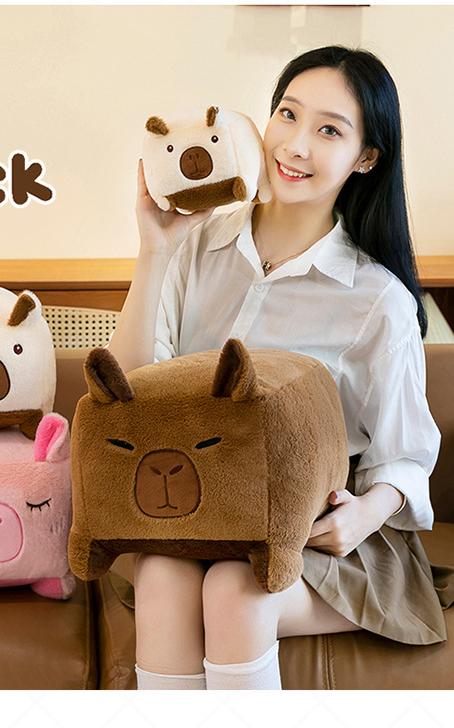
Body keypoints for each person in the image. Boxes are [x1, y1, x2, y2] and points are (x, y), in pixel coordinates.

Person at [108, 45, 452, 690]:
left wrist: (362, 515)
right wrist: (155, 248)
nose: (295, 145)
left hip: (316, 530)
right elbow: (129, 395)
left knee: (237, 589)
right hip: (199, 510)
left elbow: (405, 455)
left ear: (366, 158)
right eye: (287, 115)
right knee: (161, 576)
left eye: (330, 130)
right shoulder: (196, 244)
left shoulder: (377, 300)